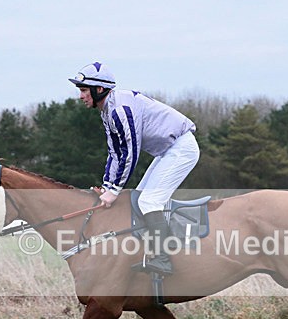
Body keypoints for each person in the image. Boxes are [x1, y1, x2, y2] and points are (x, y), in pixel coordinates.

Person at [69, 61, 199, 276]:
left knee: (149, 201)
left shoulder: (119, 110)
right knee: (139, 198)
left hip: (181, 149)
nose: (81, 96)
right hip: (167, 150)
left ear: (99, 89)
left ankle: (164, 259)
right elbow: (114, 153)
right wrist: (107, 187)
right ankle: (149, 253)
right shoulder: (107, 110)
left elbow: (130, 153)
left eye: (84, 90)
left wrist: (114, 191)